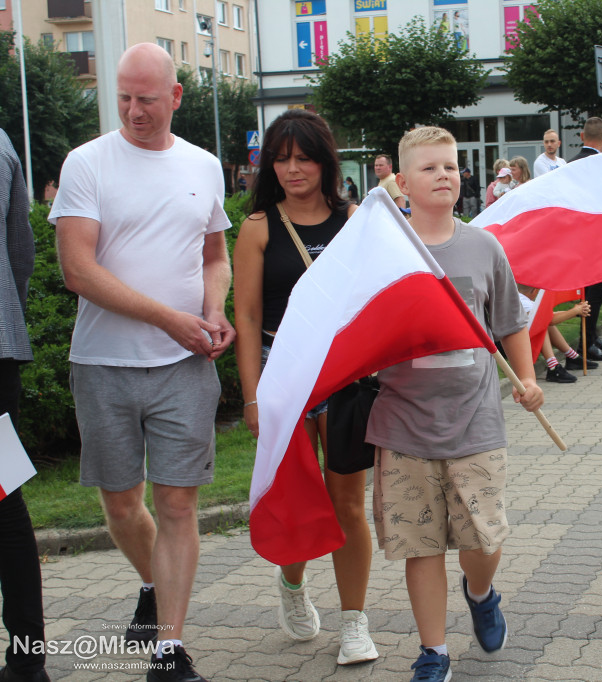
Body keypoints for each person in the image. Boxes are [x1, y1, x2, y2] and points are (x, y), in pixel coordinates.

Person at [49, 43, 234, 682]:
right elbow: (78, 270)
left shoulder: (204, 165)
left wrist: (212, 310)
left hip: (185, 366)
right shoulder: (87, 163)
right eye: (123, 98)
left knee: (178, 505)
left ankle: (168, 650)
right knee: (123, 506)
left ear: (175, 96)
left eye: (147, 100)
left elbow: (215, 253)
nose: (133, 111)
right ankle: (154, 585)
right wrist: (170, 319)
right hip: (104, 362)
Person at [365, 126, 544, 682]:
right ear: (401, 181)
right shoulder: (384, 248)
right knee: (420, 545)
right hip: (403, 425)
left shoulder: (482, 246)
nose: (444, 175)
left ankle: (481, 591)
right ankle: (434, 651)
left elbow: (511, 323)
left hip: (475, 424)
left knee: (483, 539)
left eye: (450, 165)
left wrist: (528, 379)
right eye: (430, 167)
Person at [232, 109, 378, 666]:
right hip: (282, 375)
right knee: (296, 497)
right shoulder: (258, 227)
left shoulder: (353, 219)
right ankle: (292, 586)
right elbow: (245, 318)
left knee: (347, 503)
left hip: (343, 376)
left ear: (324, 160)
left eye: (304, 157)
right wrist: (252, 396)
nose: (293, 168)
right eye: (283, 157)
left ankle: (355, 624)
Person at [1, 128, 49, 682]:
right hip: (1, 351)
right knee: (5, 500)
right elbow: (21, 252)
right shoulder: (2, 145)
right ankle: (27, 658)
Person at [570, 117, 602, 360]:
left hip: (579, 238)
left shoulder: (571, 164)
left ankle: (591, 338)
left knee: (590, 292)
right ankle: (586, 344)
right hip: (598, 239)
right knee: (596, 293)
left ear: (582, 137)